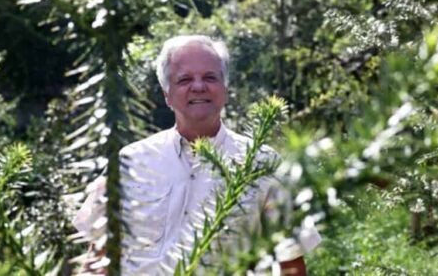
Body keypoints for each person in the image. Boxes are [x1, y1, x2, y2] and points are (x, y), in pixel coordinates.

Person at [72, 35, 320, 275]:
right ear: (166, 94)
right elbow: (97, 261)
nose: (199, 86)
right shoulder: (130, 162)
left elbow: (290, 264)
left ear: (225, 88)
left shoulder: (263, 164)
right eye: (184, 79)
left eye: (210, 77)